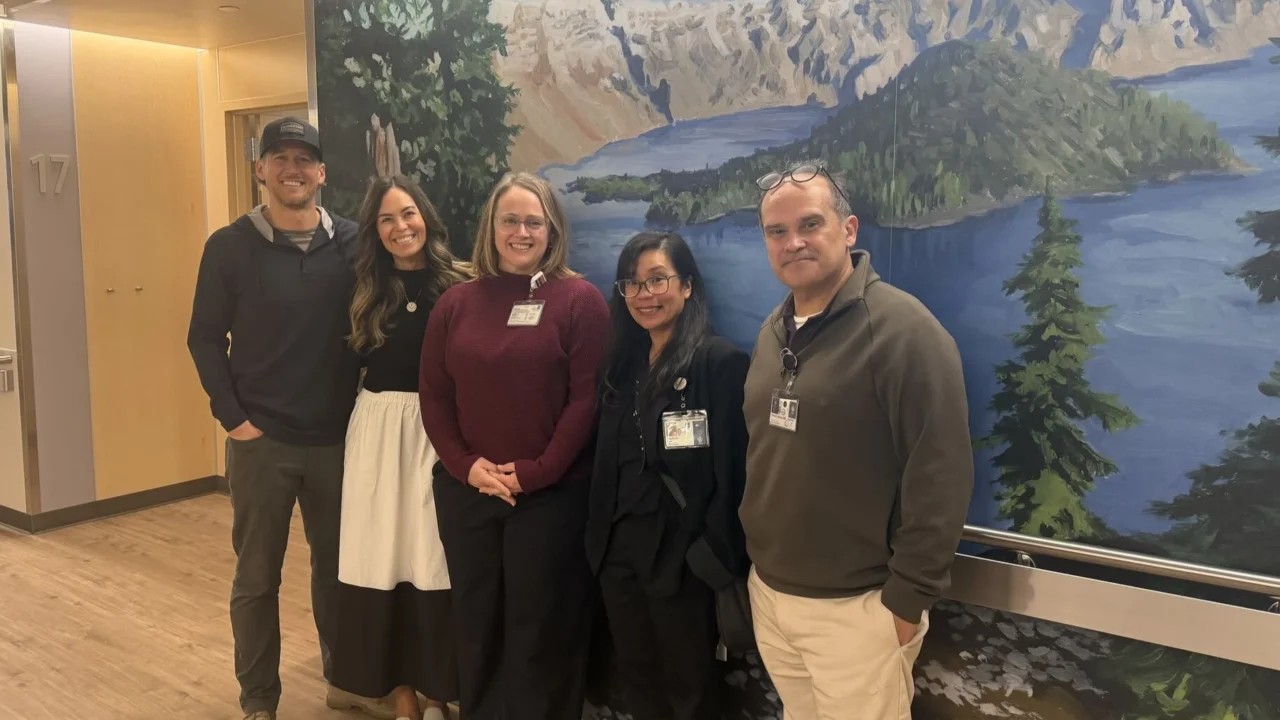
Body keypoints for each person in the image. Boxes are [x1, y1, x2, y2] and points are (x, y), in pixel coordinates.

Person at [738, 160, 974, 719]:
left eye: (810, 225)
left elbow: (940, 476)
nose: (792, 242)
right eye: (777, 232)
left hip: (857, 610)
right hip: (771, 595)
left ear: (848, 230)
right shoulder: (774, 332)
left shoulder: (904, 332)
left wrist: (903, 605)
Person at [187, 117, 395, 720]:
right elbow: (203, 339)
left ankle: (344, 681)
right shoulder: (228, 247)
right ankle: (259, 701)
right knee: (257, 581)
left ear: (323, 174)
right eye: (280, 157)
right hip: (262, 444)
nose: (293, 169)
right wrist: (234, 420)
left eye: (305, 159)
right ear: (261, 170)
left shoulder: (356, 243)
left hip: (337, 441)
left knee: (338, 575)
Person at [418, 172, 610, 720]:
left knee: (542, 631)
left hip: (551, 499)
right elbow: (434, 396)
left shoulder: (580, 302)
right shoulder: (456, 304)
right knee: (476, 626)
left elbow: (586, 402)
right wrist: (467, 466)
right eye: (510, 220)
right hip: (469, 494)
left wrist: (535, 473)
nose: (521, 232)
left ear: (551, 230)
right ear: (491, 227)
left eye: (533, 221)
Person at [585, 231, 750, 720]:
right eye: (632, 284)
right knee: (636, 679)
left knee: (690, 688)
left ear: (688, 287)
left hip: (682, 562)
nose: (645, 295)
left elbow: (734, 478)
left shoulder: (717, 363)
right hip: (618, 554)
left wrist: (709, 555)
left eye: (658, 280)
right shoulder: (621, 365)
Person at [328, 175, 472, 720]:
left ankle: (441, 693)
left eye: (407, 214)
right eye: (386, 219)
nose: (399, 227)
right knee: (384, 556)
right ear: (374, 231)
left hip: (441, 431)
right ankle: (403, 696)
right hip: (379, 431)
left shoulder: (460, 284)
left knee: (435, 559)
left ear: (426, 218)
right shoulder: (362, 287)